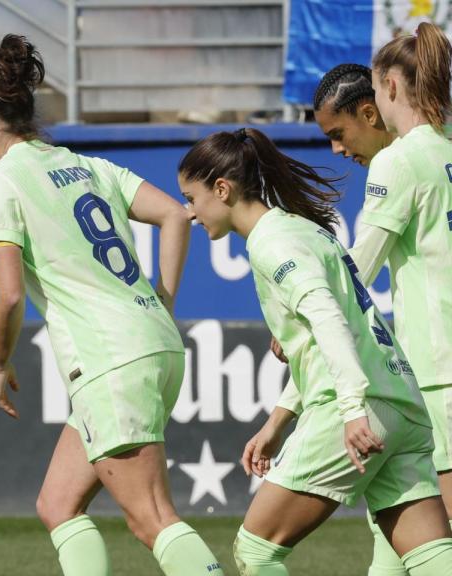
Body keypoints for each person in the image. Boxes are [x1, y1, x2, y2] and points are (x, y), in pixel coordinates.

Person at [0, 34, 222, 576]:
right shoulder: (87, 166)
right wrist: (163, 303)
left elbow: (7, 293)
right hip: (152, 343)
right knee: (57, 504)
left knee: (151, 517)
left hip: (109, 359)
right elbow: (175, 215)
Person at [178, 126, 452, 575]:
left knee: (257, 551)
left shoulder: (273, 243)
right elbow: (319, 343)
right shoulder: (303, 231)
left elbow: (328, 320)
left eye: (191, 197)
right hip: (403, 400)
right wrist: (276, 424)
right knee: (432, 558)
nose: (189, 212)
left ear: (222, 189)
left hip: (360, 409)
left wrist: (351, 410)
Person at [312, 58, 452, 576]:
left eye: (337, 133)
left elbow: (357, 270)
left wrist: (308, 312)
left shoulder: (400, 160)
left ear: (382, 96)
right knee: (392, 527)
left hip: (438, 377)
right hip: (427, 381)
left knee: (436, 539)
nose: (337, 149)